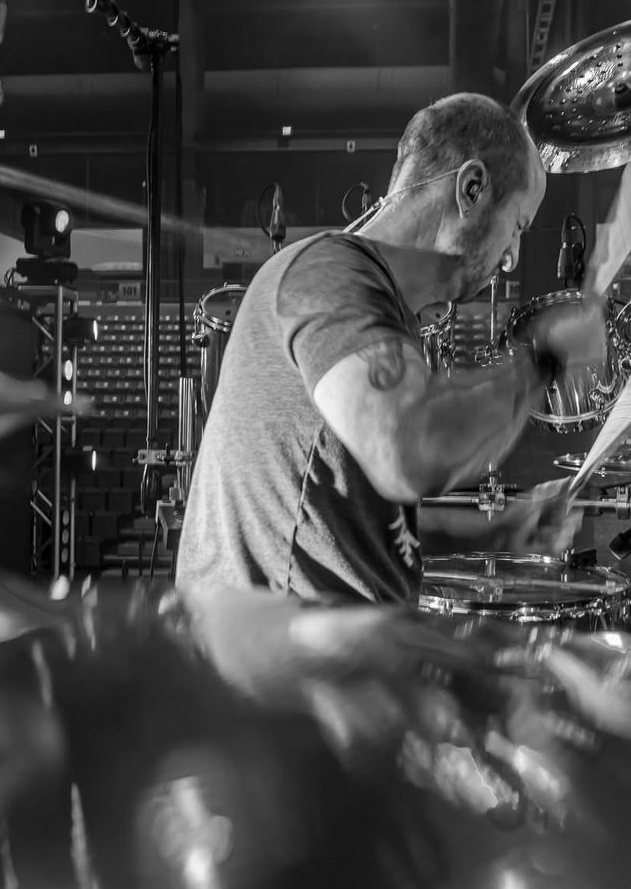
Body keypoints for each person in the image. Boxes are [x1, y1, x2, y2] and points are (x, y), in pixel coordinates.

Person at [176, 92, 607, 608]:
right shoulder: (330, 274)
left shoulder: (376, 305)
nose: (512, 258)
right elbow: (407, 453)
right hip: (275, 651)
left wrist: (498, 531)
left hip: (321, 640)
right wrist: (546, 359)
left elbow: (361, 515)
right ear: (471, 188)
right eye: (516, 227)